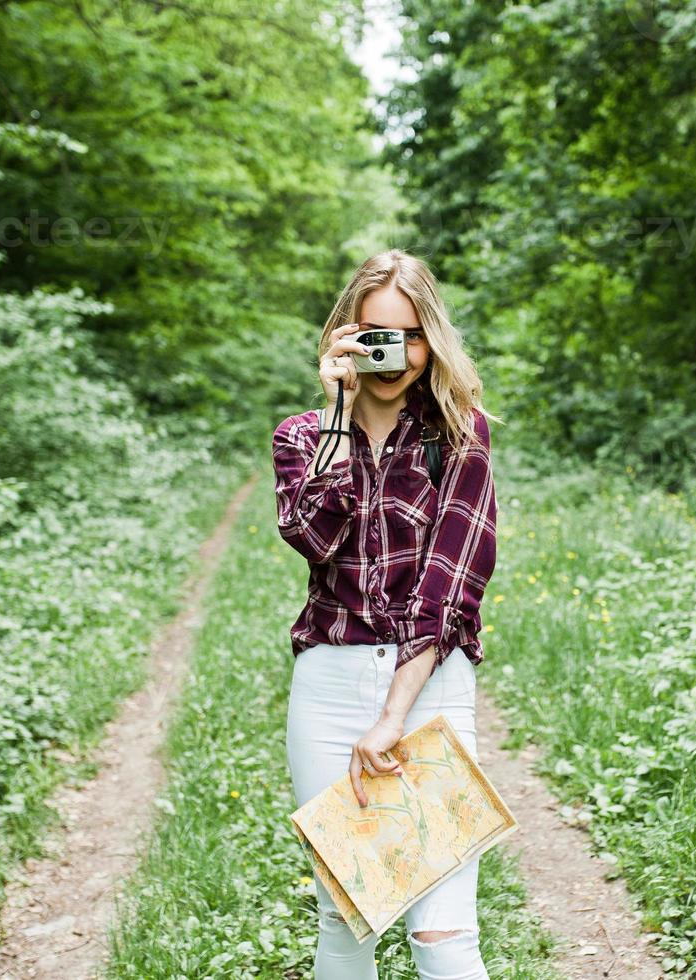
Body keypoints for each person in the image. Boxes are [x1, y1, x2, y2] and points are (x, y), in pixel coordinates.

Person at [273, 249, 501, 979]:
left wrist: (393, 716)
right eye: (374, 333)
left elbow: (449, 586)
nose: (393, 354)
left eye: (409, 334)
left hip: (429, 689)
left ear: (431, 339)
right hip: (329, 687)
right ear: (344, 335)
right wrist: (339, 411)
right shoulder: (301, 436)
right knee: (348, 919)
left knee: (442, 934)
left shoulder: (460, 434)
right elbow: (312, 537)